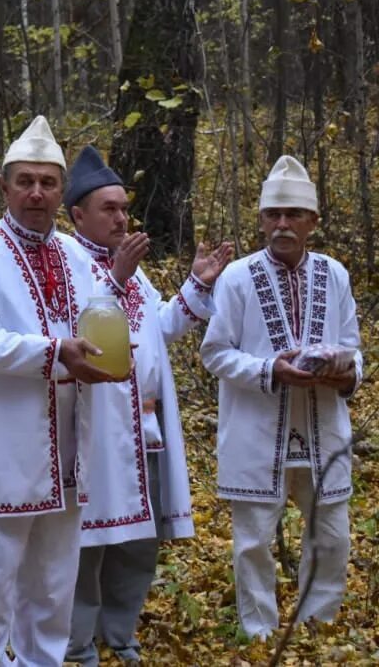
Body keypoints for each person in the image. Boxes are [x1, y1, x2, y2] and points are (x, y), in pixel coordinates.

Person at [0, 116, 135, 667]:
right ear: (4, 187)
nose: (36, 193)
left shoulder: (78, 258)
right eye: (24, 181)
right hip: (2, 452)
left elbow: (100, 326)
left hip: (69, 458)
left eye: (47, 182)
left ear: (60, 191)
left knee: (53, 592)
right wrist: (58, 355)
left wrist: (107, 356)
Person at [62, 145, 231, 665]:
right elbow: (79, 328)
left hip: (146, 426)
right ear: (78, 216)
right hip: (97, 428)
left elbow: (159, 326)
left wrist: (196, 284)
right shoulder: (67, 263)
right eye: (108, 208)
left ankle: (121, 631)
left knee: (139, 539)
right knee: (90, 540)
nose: (120, 217)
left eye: (123, 208)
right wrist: (114, 275)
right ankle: (75, 642)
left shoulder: (133, 270)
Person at [201, 155, 361, 640]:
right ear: (261, 219)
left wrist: (344, 372)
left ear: (313, 221)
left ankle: (321, 625)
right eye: (273, 214)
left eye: (293, 214)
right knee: (253, 543)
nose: (282, 224)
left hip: (323, 430)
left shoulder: (335, 274)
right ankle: (260, 636)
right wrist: (272, 369)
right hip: (256, 431)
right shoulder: (236, 278)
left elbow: (354, 346)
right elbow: (215, 352)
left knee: (332, 538)